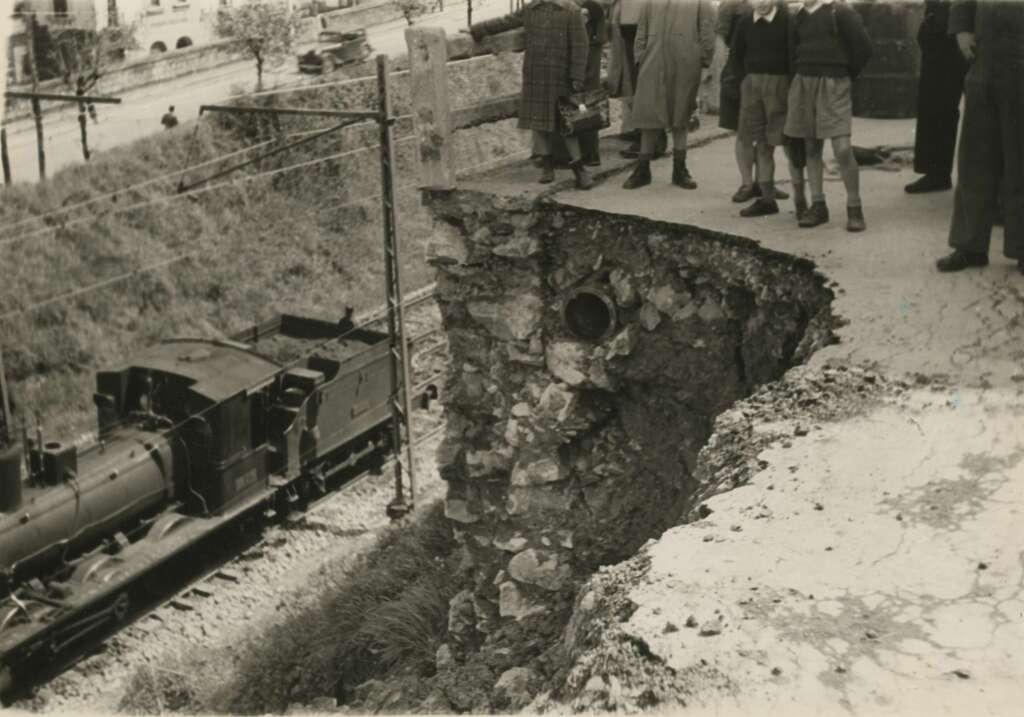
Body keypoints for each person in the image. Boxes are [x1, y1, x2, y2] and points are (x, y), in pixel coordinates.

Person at [935, 0, 1023, 274]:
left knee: (1020, 160)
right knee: (975, 158)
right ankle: (970, 245)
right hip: (984, 60)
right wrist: (961, 28)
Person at [470, 0, 594, 189]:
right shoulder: (531, 9)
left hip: (562, 76)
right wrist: (478, 29)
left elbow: (581, 46)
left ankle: (579, 169)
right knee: (539, 123)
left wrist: (577, 75)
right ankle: (547, 165)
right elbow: (506, 21)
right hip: (536, 74)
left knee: (567, 123)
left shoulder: (571, 11)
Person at [784, 0, 872, 231]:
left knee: (842, 148)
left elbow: (864, 48)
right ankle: (818, 206)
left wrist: (843, 74)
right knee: (811, 147)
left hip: (835, 84)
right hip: (804, 83)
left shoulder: (839, 11)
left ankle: (854, 207)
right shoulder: (797, 17)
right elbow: (792, 54)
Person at [622, 0, 715, 190]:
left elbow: (707, 30)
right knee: (648, 115)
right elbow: (642, 29)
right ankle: (642, 169)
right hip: (652, 61)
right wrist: (640, 57)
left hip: (685, 62)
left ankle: (680, 170)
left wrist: (703, 60)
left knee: (681, 115)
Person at [731, 0, 800, 217]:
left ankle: (802, 201)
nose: (760, 2)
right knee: (761, 143)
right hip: (752, 86)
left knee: (789, 143)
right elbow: (736, 56)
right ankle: (767, 199)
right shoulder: (745, 22)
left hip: (780, 85)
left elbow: (794, 56)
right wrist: (745, 81)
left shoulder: (788, 21)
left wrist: (791, 87)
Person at [905, 0, 968, 194]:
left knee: (986, 109)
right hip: (943, 25)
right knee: (935, 105)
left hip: (968, 24)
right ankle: (937, 173)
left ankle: (992, 182)